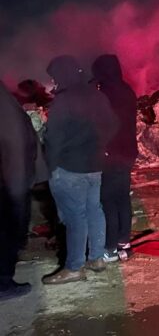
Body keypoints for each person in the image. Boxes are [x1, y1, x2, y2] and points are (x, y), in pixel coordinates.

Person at [42, 55, 117, 284]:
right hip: (94, 166)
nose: (54, 82)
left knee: (76, 217)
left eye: (54, 77)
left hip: (69, 168)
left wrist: (50, 167)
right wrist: (98, 144)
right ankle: (97, 258)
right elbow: (113, 124)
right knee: (94, 210)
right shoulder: (97, 95)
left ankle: (74, 267)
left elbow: (53, 139)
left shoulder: (64, 101)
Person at [92, 55, 138, 262]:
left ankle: (109, 247)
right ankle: (124, 243)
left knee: (108, 200)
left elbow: (101, 126)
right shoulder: (127, 90)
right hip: (127, 152)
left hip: (110, 154)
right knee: (122, 198)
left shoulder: (105, 95)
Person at [0, 82, 38, 301]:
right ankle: (4, 282)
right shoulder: (7, 108)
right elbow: (18, 144)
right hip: (10, 182)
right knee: (7, 232)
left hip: (9, 180)